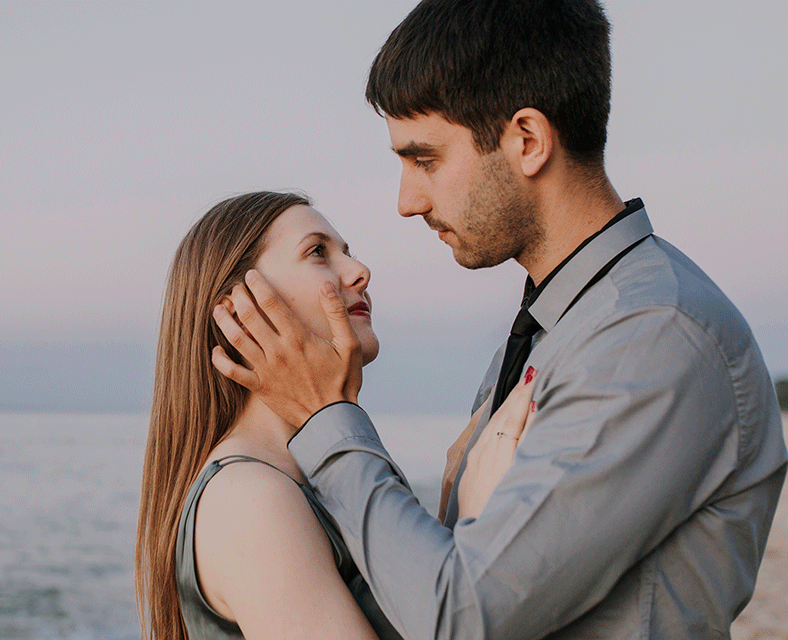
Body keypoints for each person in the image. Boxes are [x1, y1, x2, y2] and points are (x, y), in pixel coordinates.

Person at [210, 2, 788, 639]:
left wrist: (326, 418)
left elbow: (460, 616)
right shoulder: (559, 326)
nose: (407, 201)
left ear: (528, 141)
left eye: (425, 160)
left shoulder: (648, 334)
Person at [134, 190, 537, 640]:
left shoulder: (306, 473)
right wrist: (474, 520)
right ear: (240, 309)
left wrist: (451, 507)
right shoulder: (248, 498)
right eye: (317, 253)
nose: (359, 271)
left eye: (347, 251)